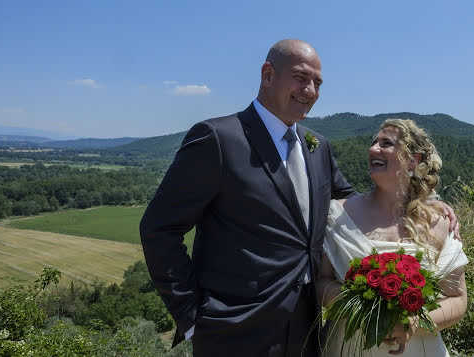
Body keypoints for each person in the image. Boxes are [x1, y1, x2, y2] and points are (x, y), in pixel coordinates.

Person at [140, 39, 459, 357]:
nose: (310, 90)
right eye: (301, 77)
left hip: (307, 332)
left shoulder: (316, 145)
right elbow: (159, 228)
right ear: (267, 74)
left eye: (317, 83)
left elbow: (351, 201)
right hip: (234, 332)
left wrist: (427, 203)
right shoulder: (218, 139)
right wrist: (193, 317)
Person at [317, 119, 468, 357]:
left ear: (412, 160)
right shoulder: (337, 214)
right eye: (373, 142)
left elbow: (458, 299)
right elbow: (321, 282)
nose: (373, 148)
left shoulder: (439, 222)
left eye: (386, 143)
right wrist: (366, 311)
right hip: (349, 348)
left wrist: (414, 322)